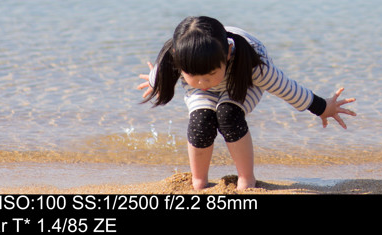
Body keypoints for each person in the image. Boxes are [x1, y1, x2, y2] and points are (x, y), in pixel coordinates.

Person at [137, 16, 356, 191]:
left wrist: (323, 107)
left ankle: (246, 180)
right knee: (201, 120)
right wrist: (155, 81)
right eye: (193, 75)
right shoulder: (174, 59)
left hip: (242, 82)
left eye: (210, 75)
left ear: (228, 54)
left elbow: (287, 88)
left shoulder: (254, 66)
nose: (203, 83)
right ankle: (199, 181)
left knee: (227, 114)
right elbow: (161, 74)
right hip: (202, 75)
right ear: (177, 59)